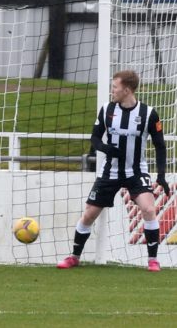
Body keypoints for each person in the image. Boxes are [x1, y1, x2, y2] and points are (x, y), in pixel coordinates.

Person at [57, 70, 170, 272]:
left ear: (126, 89)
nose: (112, 90)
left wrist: (160, 175)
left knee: (149, 209)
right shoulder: (107, 110)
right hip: (110, 171)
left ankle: (153, 260)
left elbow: (160, 146)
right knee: (89, 215)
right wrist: (106, 148)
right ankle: (74, 256)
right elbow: (95, 138)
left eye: (115, 87)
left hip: (136, 171)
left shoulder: (148, 114)